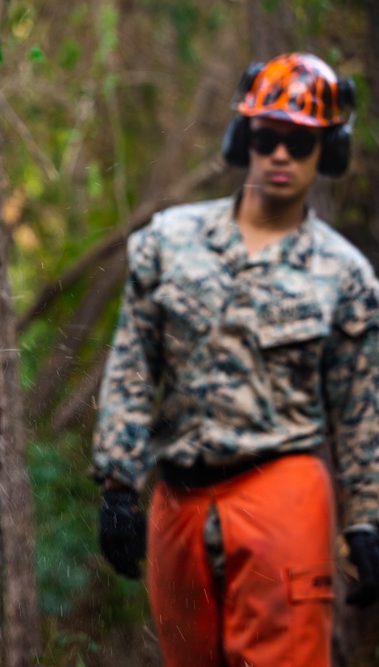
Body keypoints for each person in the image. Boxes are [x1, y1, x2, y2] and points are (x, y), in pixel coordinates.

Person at [92, 52, 379, 667]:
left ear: (325, 152)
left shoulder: (344, 274)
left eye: (300, 143)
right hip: (180, 498)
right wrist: (118, 482)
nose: (280, 154)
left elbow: (361, 410)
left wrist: (367, 519)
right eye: (268, 136)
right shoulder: (167, 242)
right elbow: (133, 364)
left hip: (284, 494)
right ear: (245, 136)